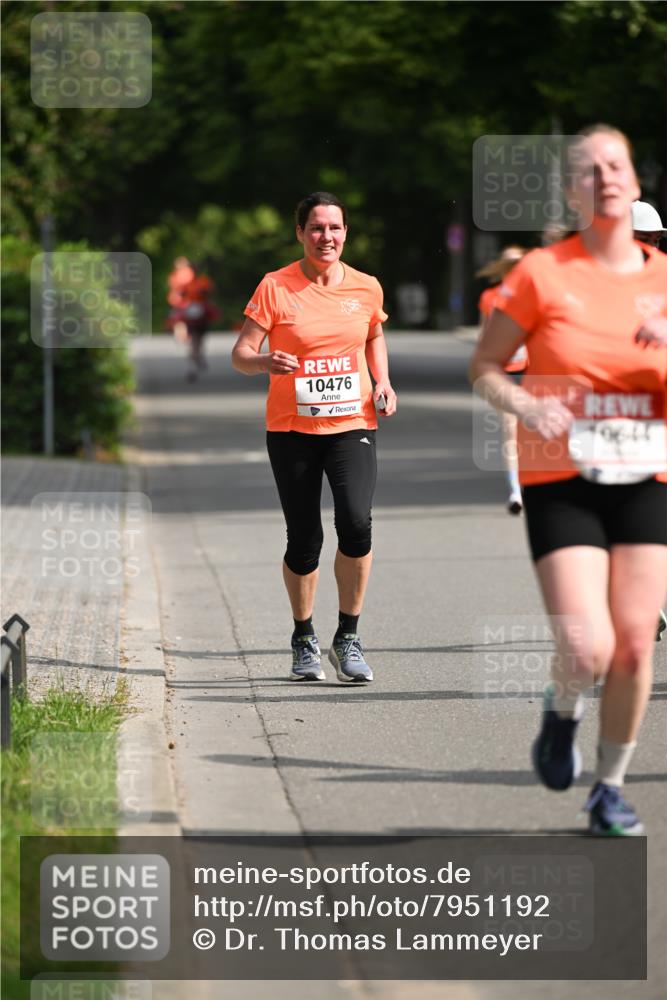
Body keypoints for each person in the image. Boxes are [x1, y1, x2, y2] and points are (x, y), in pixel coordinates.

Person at [470, 125, 667, 835]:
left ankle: (608, 788)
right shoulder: (542, 274)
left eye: (616, 165)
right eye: (588, 170)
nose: (605, 177)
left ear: (635, 182)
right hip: (561, 471)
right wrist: (526, 405)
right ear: (571, 193)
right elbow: (486, 367)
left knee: (635, 644)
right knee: (587, 646)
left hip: (648, 471)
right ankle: (562, 710)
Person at [231, 192, 397, 683]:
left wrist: (383, 381)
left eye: (335, 228)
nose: (327, 237)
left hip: (352, 424)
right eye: (317, 228)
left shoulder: (366, 287)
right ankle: (303, 637)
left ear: (346, 232)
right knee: (305, 538)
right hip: (292, 431)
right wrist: (263, 361)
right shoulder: (275, 286)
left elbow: (373, 335)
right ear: (300, 233)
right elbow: (241, 353)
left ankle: (348, 636)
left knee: (356, 523)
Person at [477, 246, 528, 514]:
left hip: (532, 370)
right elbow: (483, 335)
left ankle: (533, 480)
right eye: (509, 264)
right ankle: (515, 491)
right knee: (510, 429)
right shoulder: (490, 297)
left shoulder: (535, 293)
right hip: (503, 371)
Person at [166, 257, 220, 381]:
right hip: (191, 315)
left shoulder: (204, 282)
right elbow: (180, 295)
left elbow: (209, 294)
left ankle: (197, 358)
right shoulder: (186, 283)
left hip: (201, 315)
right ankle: (192, 366)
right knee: (194, 341)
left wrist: (204, 295)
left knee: (199, 341)